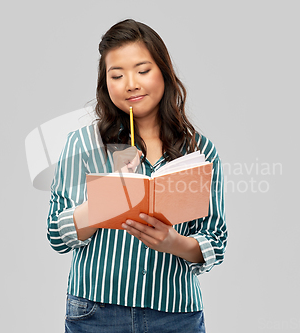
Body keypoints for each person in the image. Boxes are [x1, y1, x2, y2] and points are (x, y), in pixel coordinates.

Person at [47, 19, 227, 333]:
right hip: (95, 312)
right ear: (106, 83)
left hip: (176, 315)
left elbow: (215, 240)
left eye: (143, 71)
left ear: (164, 73)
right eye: (117, 75)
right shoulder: (83, 144)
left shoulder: (199, 151)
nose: (131, 84)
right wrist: (110, 197)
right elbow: (56, 234)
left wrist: (173, 242)